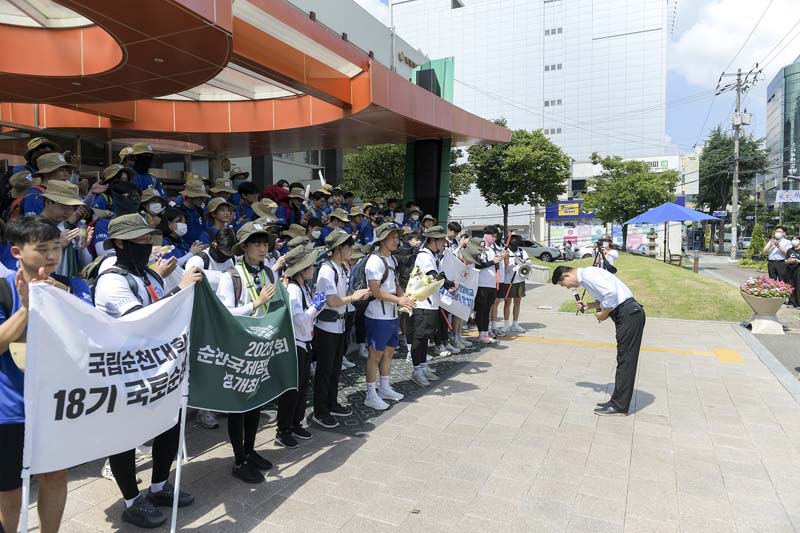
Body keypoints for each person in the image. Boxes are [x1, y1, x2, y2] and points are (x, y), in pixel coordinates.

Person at [94, 214, 201, 528]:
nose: (149, 246)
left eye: (148, 240)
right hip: (125, 373)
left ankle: (158, 486)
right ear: (121, 244)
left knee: (169, 424)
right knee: (125, 438)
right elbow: (145, 321)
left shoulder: (148, 276)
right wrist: (179, 290)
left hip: (158, 368)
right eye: (141, 241)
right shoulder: (112, 280)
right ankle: (131, 500)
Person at [0, 216, 95, 533]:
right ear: (17, 252)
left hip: (57, 406)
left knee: (55, 476)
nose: (52, 256)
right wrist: (27, 309)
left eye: (56, 247)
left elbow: (95, 334)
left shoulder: (74, 286)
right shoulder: (2, 289)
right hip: (9, 411)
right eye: (42, 249)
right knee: (9, 489)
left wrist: (62, 299)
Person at [216, 223, 279, 483]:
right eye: (257, 243)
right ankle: (239, 459)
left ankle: (251, 451)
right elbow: (223, 313)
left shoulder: (268, 273)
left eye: (265, 243)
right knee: (238, 407)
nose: (263, 248)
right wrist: (256, 303)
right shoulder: (230, 276)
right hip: (239, 348)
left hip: (260, 347)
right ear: (244, 247)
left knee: (256, 402)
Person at [553, 265, 645, 416]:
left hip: (629, 314)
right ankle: (617, 402)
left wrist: (604, 314)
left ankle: (619, 406)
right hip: (628, 313)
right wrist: (590, 305)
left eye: (564, 285)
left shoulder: (588, 275)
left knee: (626, 361)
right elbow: (607, 297)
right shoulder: (588, 276)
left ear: (567, 276)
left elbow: (611, 293)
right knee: (624, 359)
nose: (567, 287)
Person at [312, 230, 371, 429]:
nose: (351, 250)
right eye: (348, 246)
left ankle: (331, 402)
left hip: (339, 325)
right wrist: (354, 297)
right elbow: (331, 301)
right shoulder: (327, 270)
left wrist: (354, 297)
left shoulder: (340, 268)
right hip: (327, 326)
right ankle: (320, 411)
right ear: (338, 248)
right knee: (325, 370)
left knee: (335, 369)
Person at [276, 246, 327, 448]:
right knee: (292, 391)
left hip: (305, 343)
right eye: (310, 266)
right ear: (301, 269)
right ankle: (283, 429)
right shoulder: (294, 290)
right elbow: (299, 320)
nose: (313, 268)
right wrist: (316, 307)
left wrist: (314, 306)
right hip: (296, 345)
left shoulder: (303, 286)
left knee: (302, 388)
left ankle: (295, 423)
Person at [364, 223, 414, 408]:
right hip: (377, 316)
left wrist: (403, 296)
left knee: (389, 352)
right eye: (392, 238)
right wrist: (398, 300)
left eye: (397, 237)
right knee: (375, 355)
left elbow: (395, 284)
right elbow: (375, 291)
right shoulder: (374, 261)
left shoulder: (391, 259)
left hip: (391, 315)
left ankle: (384, 387)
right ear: (382, 240)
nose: (396, 241)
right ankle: (370, 393)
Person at [410, 226, 455, 387]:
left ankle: (423, 366)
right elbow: (433, 276)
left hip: (432, 303)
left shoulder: (434, 256)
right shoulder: (424, 256)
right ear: (433, 240)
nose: (444, 243)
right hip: (422, 303)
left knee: (426, 338)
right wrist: (449, 283)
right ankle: (416, 370)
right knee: (419, 338)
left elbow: (440, 275)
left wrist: (448, 287)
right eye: (442, 240)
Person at [474, 228, 507, 344]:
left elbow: (495, 264)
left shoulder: (492, 249)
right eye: (492, 235)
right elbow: (478, 265)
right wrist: (493, 262)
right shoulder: (480, 247)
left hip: (492, 283)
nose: (493, 238)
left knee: (487, 309)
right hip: (482, 283)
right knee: (481, 309)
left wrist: (498, 260)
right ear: (485, 235)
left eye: (495, 236)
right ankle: (481, 333)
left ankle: (485, 332)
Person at [22, 153, 76, 217]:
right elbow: (35, 226)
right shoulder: (34, 196)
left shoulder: (57, 193)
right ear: (46, 173)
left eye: (67, 171)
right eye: (61, 170)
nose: (66, 174)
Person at [500, 234, 532, 333]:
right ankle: (506, 324)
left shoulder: (522, 251)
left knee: (517, 302)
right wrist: (508, 261)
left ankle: (515, 323)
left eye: (516, 240)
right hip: (508, 280)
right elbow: (503, 266)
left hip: (520, 280)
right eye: (512, 240)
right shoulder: (505, 252)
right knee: (507, 302)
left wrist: (522, 262)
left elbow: (529, 263)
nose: (514, 242)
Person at [177, 180, 210, 244]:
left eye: (203, 197)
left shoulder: (200, 211)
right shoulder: (179, 211)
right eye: (200, 197)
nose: (203, 200)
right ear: (190, 196)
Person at [786, 235, 800, 307]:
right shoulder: (789, 250)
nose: (794, 241)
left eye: (796, 239)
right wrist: (788, 261)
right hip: (790, 270)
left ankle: (798, 303)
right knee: (791, 285)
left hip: (798, 270)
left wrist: (796, 260)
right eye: (793, 239)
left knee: (798, 286)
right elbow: (786, 260)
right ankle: (791, 302)